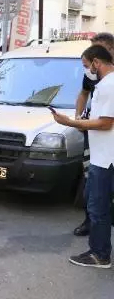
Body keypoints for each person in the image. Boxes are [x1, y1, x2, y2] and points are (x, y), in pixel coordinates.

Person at [52, 44, 114, 268]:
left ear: (97, 62)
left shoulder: (108, 86)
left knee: (98, 207)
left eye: (87, 66)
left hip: (105, 159)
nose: (87, 71)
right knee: (99, 204)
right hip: (104, 156)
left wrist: (72, 122)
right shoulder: (106, 85)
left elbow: (106, 123)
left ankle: (100, 254)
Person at [72, 33, 114, 237]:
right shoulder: (93, 74)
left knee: (102, 188)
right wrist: (78, 118)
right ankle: (91, 222)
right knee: (90, 182)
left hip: (108, 141)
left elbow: (107, 122)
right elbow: (83, 94)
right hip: (94, 136)